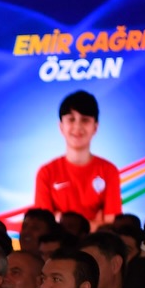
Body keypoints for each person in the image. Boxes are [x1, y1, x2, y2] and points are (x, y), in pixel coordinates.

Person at [33, 90, 122, 226]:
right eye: (71, 119)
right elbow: (43, 226)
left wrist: (60, 218)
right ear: (61, 127)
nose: (77, 126)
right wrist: (96, 224)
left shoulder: (109, 171)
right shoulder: (46, 173)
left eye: (85, 120)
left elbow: (112, 226)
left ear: (95, 127)